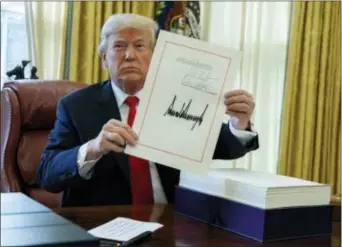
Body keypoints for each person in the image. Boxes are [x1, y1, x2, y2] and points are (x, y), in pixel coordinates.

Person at [36, 14, 259, 207]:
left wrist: (239, 124)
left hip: (173, 219)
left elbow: (222, 146)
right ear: (104, 59)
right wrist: (93, 148)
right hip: (106, 223)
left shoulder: (178, 99)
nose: (130, 55)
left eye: (140, 46)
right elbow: (47, 175)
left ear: (154, 58)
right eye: (119, 46)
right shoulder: (76, 106)